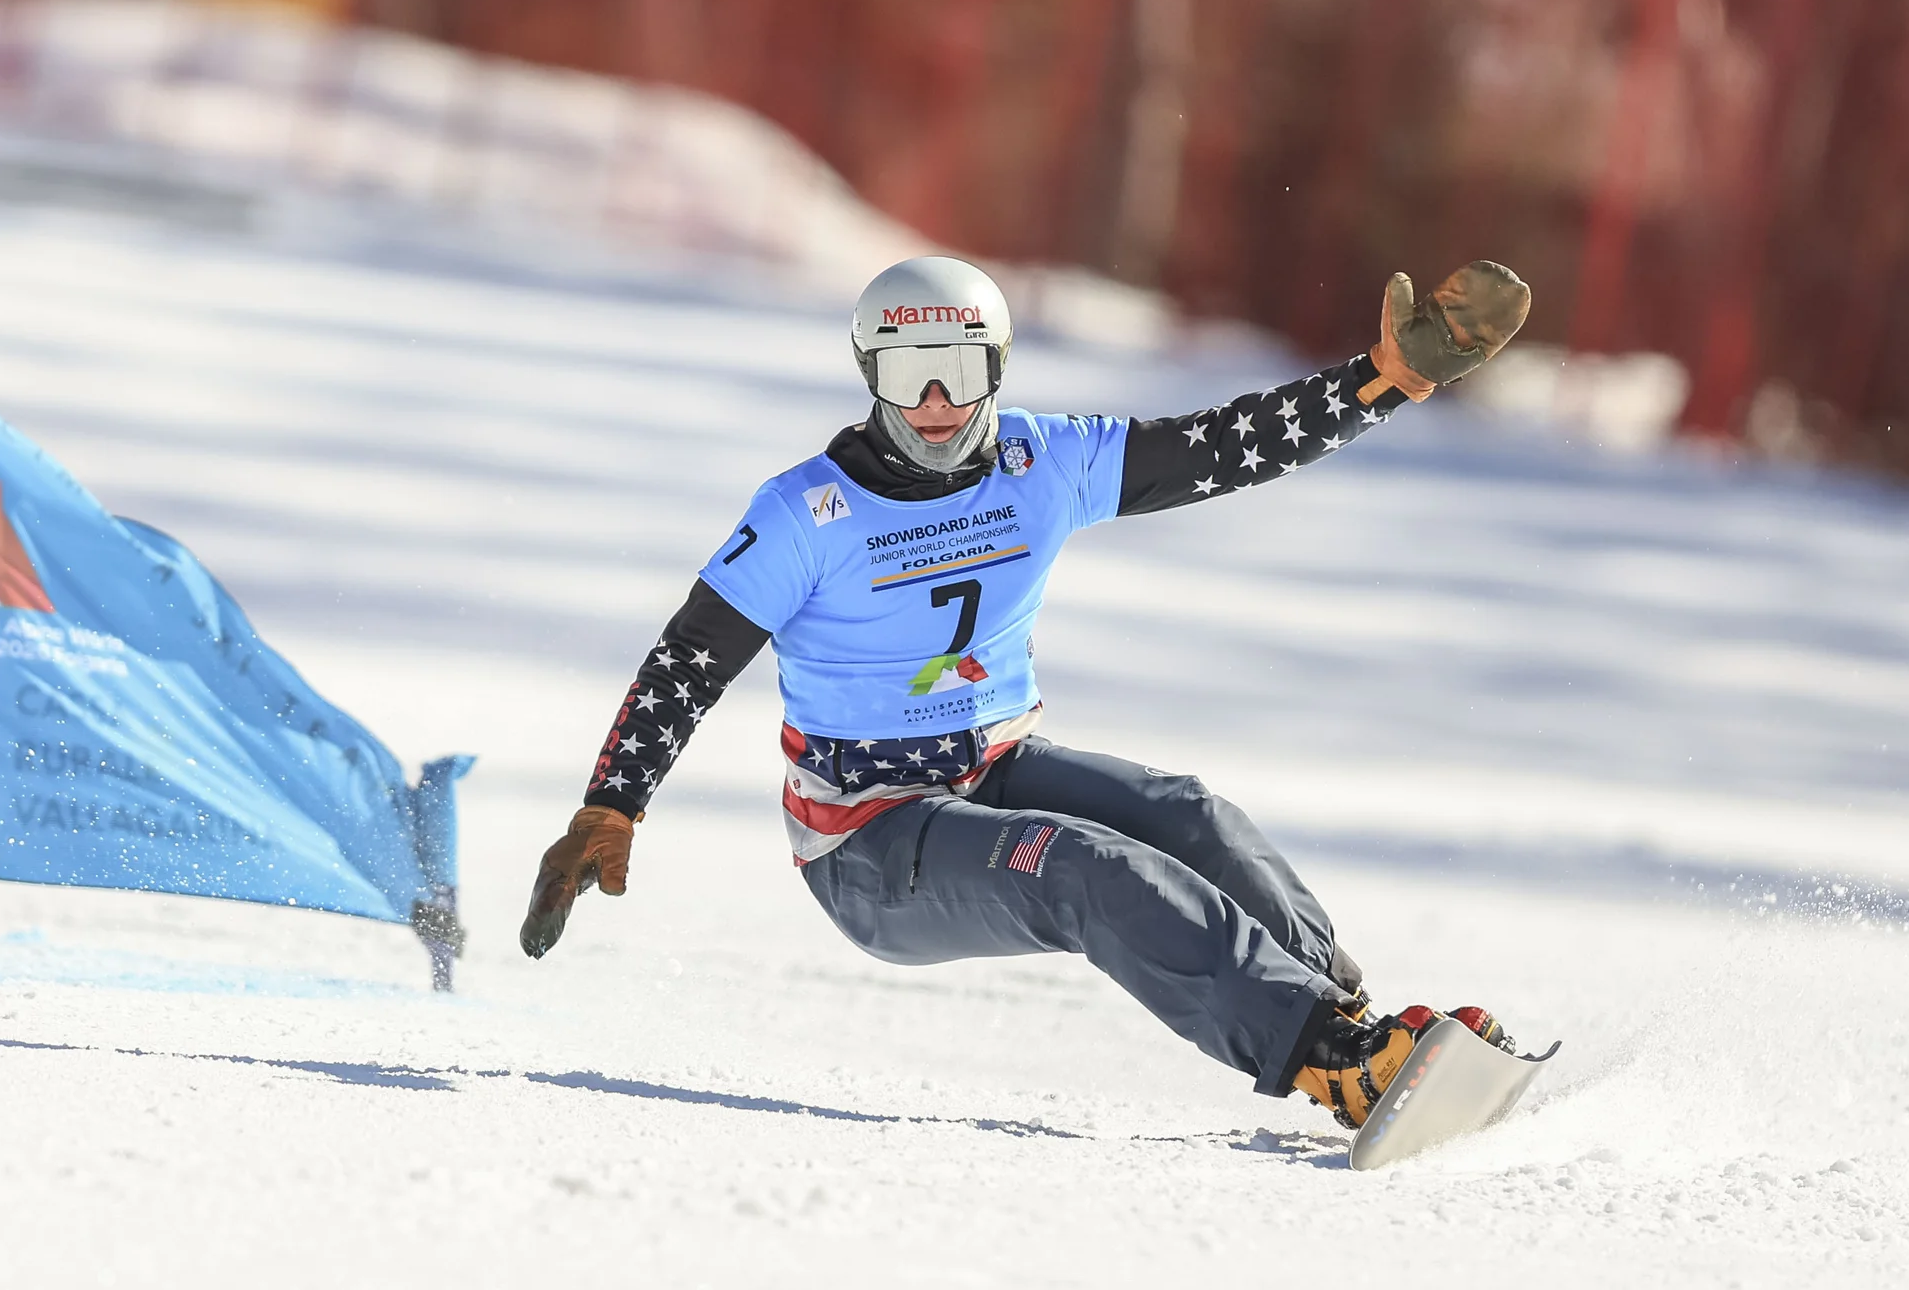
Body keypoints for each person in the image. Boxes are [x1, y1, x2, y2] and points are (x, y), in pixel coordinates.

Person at [519, 257, 1533, 1131]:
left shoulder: (1041, 461)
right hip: (868, 839)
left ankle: (1355, 1033)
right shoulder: (805, 513)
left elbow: (1220, 446)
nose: (934, 403)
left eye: (959, 372)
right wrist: (614, 804)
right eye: (907, 374)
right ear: (870, 373)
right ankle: (1323, 1055)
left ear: (996, 370)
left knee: (1193, 817)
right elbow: (691, 658)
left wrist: (1381, 380)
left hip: (993, 766)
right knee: (1085, 869)